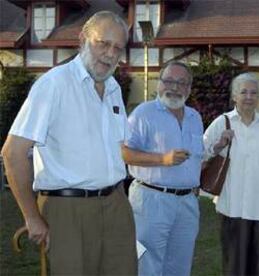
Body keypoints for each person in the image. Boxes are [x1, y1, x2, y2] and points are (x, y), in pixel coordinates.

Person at [1, 11, 137, 275]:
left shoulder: (113, 88)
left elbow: (116, 149)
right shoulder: (54, 84)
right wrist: (31, 217)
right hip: (68, 210)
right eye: (103, 43)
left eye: (118, 48)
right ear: (83, 38)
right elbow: (13, 153)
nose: (110, 53)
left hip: (117, 205)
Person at [122, 61, 203, 276]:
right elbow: (124, 153)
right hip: (151, 199)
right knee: (148, 264)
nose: (174, 87)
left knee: (180, 265)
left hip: (187, 202)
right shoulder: (143, 113)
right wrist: (163, 159)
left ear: (189, 88)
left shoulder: (195, 117)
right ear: (159, 84)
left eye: (181, 82)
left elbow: (196, 158)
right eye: (168, 81)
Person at [203, 72, 259, 276]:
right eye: (244, 92)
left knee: (258, 265)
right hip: (233, 205)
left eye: (254, 92)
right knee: (234, 265)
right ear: (234, 96)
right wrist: (219, 144)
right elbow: (200, 152)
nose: (249, 96)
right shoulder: (222, 122)